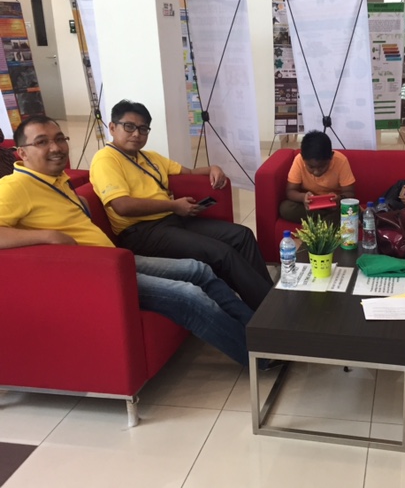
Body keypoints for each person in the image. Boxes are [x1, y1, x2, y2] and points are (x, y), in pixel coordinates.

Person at [0, 116, 259, 368]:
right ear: (22, 153)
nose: (55, 147)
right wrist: (48, 236)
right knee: (188, 294)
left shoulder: (57, 180)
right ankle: (258, 355)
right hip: (94, 276)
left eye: (59, 139)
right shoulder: (15, 186)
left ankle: (263, 335)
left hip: (114, 260)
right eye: (42, 142)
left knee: (199, 269)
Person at [89, 100, 272, 311]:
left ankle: (271, 295)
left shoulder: (150, 157)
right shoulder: (105, 159)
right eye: (129, 127)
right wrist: (173, 206)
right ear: (113, 127)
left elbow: (189, 172)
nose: (136, 134)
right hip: (141, 232)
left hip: (172, 220)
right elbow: (122, 206)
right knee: (222, 253)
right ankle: (267, 311)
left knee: (242, 235)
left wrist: (213, 168)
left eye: (143, 129)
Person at [279, 130, 356, 225]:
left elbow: (350, 193)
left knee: (349, 209)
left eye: (322, 167)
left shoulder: (341, 161)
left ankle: (322, 223)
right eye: (311, 167)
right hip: (311, 207)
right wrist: (303, 197)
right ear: (303, 157)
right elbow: (290, 191)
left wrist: (339, 198)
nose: (316, 172)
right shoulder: (299, 160)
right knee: (286, 208)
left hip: (334, 207)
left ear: (331, 157)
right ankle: (326, 223)